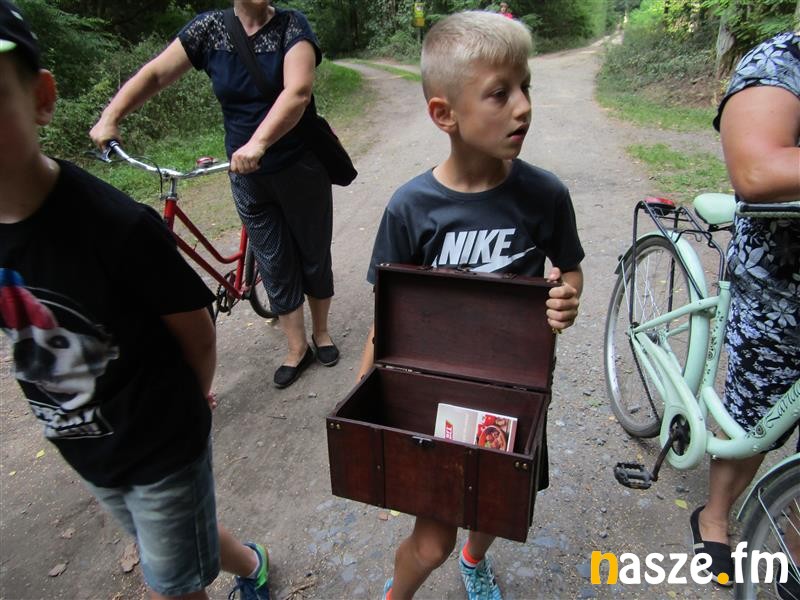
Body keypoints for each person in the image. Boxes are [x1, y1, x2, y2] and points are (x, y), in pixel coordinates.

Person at [0, 2, 271, 598]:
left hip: (159, 447)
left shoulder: (114, 226)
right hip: (88, 449)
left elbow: (197, 330)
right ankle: (252, 563)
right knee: (170, 545)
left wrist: (190, 401)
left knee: (172, 583)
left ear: (41, 98)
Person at [356, 12, 584, 600]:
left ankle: (475, 556)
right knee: (429, 543)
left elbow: (569, 271)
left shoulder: (545, 195)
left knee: (500, 503)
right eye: (499, 94)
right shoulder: (411, 208)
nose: (523, 107)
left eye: (526, 87)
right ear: (445, 114)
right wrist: (367, 397)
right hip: (438, 392)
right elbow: (390, 312)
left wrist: (567, 298)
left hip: (515, 388)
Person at [90, 0, 339, 389]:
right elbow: (156, 74)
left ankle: (321, 333)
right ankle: (296, 348)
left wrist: (258, 144)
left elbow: (298, 92)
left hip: (298, 166)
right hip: (245, 175)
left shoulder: (292, 26)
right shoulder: (208, 30)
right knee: (273, 261)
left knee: (312, 252)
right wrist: (111, 116)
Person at [689, 31, 800, 595]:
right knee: (754, 421)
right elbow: (757, 172)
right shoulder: (782, 61)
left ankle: (794, 540)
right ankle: (714, 517)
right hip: (782, 290)